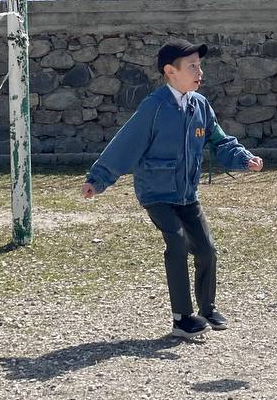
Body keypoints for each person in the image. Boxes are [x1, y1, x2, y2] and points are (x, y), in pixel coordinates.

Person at [81, 39, 263, 341]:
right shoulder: (153, 107)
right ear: (170, 71)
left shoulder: (200, 105)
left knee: (207, 250)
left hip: (186, 195)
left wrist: (244, 159)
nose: (199, 71)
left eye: (199, 65)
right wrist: (97, 180)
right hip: (156, 194)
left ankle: (207, 309)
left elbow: (220, 142)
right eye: (192, 66)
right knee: (177, 243)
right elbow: (125, 144)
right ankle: (182, 318)